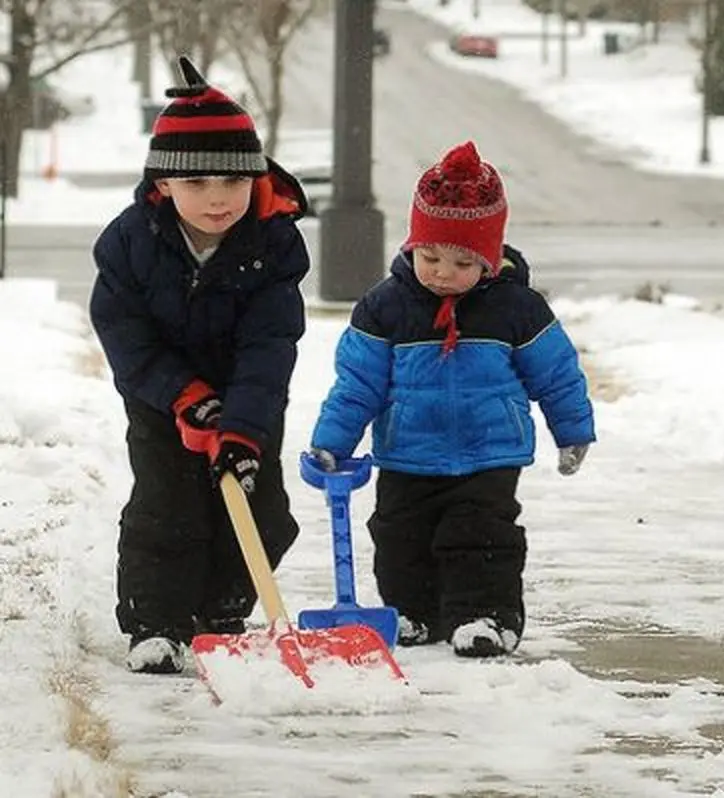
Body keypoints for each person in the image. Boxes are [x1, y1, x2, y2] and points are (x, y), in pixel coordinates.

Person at [309, 140, 595, 658]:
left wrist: (572, 430)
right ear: (411, 247)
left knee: (480, 537)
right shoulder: (385, 308)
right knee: (398, 537)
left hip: (489, 452)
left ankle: (484, 616)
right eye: (430, 256)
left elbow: (557, 374)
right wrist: (333, 441)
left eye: (462, 261)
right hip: (408, 452)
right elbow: (357, 384)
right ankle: (413, 612)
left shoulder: (517, 309)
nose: (442, 272)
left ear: (489, 258)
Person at [89, 56, 310, 673]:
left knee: (259, 507)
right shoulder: (129, 242)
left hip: (248, 394)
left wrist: (241, 427)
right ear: (164, 186)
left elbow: (271, 345)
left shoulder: (274, 243)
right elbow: (125, 337)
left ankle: (224, 609)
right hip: (163, 399)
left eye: (234, 184)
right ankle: (157, 624)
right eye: (198, 185)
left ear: (255, 180)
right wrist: (183, 395)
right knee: (167, 507)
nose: (218, 200)